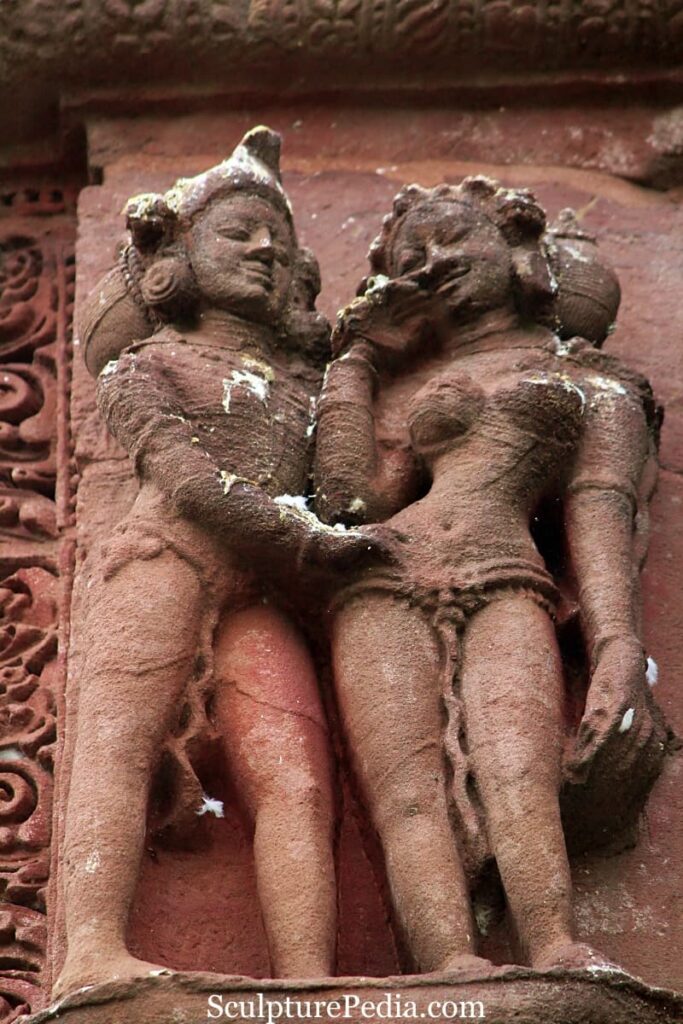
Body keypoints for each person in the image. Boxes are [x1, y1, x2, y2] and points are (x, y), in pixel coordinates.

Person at [56, 127, 384, 996]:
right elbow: (188, 482)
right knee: (118, 751)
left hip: (261, 589)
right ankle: (89, 949)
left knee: (292, 774)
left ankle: (306, 977)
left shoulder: (296, 384)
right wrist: (297, 539)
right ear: (178, 259)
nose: (268, 249)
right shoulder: (146, 368)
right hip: (164, 561)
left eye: (277, 241)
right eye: (239, 232)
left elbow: (343, 490)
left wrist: (351, 367)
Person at [314, 178, 665, 974]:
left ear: (514, 247)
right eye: (414, 256)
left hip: (503, 569)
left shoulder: (590, 380)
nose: (434, 263)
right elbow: (348, 499)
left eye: (452, 240)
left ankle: (551, 943)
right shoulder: (404, 388)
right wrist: (357, 357)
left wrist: (615, 646)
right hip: (380, 578)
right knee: (405, 791)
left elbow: (599, 512)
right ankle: (448, 963)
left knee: (518, 766)